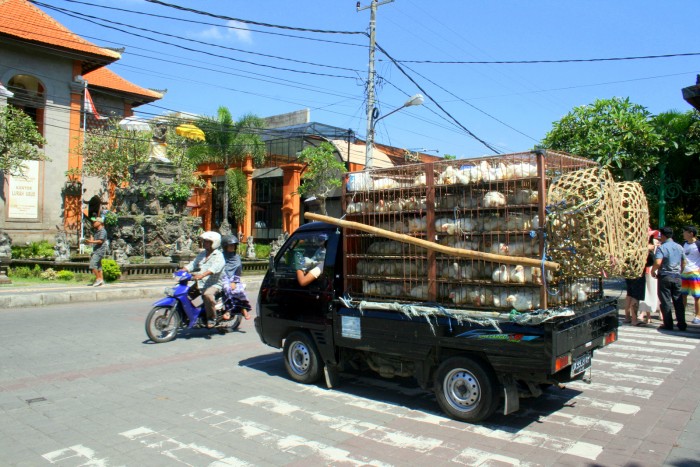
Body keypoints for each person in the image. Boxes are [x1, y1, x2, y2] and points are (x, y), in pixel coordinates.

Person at [180, 231, 224, 328]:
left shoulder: (219, 256)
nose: (204, 243)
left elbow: (214, 268)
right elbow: (193, 264)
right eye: (204, 241)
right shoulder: (202, 254)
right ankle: (191, 314)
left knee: (207, 295)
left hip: (214, 284)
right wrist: (183, 270)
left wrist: (202, 275)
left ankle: (211, 318)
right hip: (201, 283)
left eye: (207, 241)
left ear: (214, 243)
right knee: (185, 294)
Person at [651, 226, 687, 331]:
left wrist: (653, 271)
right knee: (678, 300)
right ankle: (682, 324)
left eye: (660, 235)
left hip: (665, 276)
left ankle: (668, 324)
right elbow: (684, 262)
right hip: (677, 276)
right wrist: (680, 271)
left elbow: (658, 262)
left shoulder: (662, 247)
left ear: (663, 235)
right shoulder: (679, 247)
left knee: (665, 301)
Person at [217, 235, 250, 320]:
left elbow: (238, 271)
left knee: (239, 290)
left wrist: (234, 282)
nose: (232, 247)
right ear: (225, 246)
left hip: (233, 279)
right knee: (227, 288)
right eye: (230, 245)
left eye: (233, 245)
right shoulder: (220, 256)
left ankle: (243, 309)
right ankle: (228, 310)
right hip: (222, 278)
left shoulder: (236, 257)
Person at [638, 230, 661, 323]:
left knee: (653, 291)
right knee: (647, 291)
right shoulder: (647, 242)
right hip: (648, 269)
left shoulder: (655, 239)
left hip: (653, 268)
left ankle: (652, 313)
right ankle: (645, 313)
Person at [680, 225, 700, 325]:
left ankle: (698, 315)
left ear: (691, 233)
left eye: (685, 232)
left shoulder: (698, 244)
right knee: (683, 295)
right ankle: (681, 314)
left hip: (695, 272)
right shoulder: (684, 244)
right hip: (684, 273)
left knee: (697, 296)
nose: (683, 234)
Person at [84, 218, 108, 287]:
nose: (93, 223)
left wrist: (91, 241)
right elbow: (93, 241)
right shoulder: (97, 231)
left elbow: (100, 241)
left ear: (99, 222)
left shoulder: (103, 231)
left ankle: (98, 279)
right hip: (96, 250)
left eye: (95, 222)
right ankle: (101, 280)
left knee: (93, 264)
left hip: (99, 250)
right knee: (99, 266)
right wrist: (90, 238)